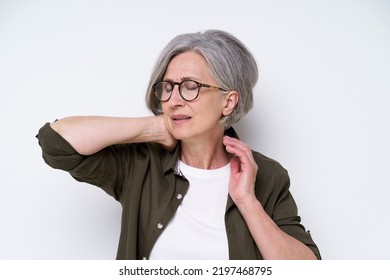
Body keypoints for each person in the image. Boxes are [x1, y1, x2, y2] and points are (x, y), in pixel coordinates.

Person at [37, 30, 321, 260]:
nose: (174, 99)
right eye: (168, 87)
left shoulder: (267, 175)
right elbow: (56, 143)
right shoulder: (140, 165)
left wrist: (248, 201)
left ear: (228, 101)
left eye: (190, 86)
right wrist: (154, 126)